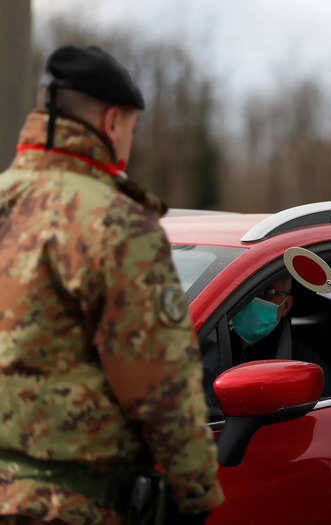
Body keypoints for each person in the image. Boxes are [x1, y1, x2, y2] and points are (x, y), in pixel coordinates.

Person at [0, 45, 223, 524]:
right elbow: (160, 386)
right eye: (132, 130)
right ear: (111, 122)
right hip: (66, 505)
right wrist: (195, 493)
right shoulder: (115, 224)